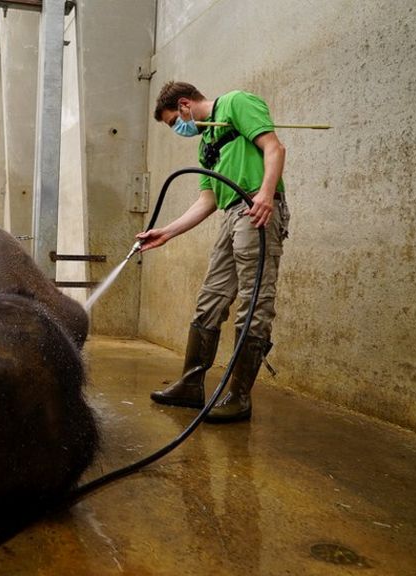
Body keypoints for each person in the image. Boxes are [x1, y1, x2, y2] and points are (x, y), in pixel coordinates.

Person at [137, 81, 289, 423]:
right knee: (211, 298)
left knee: (253, 303)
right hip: (230, 214)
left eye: (175, 120)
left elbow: (275, 148)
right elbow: (207, 201)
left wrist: (265, 194)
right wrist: (167, 233)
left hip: (256, 207)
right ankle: (192, 385)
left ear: (186, 104)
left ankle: (239, 397)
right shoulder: (206, 144)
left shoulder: (237, 103)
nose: (178, 128)